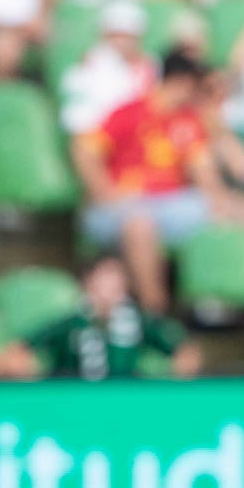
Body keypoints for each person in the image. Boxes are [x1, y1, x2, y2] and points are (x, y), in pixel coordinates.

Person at [73, 52, 221, 313]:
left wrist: (225, 203)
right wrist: (104, 190)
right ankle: (155, 314)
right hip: (125, 204)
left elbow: (205, 174)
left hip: (171, 204)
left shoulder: (188, 120)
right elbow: (83, 150)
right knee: (140, 225)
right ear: (183, 82)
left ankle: (221, 303)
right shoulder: (131, 112)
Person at [24, 254, 199, 380]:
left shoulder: (137, 322)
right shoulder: (71, 324)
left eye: (118, 279)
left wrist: (180, 368)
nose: (112, 286)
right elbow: (23, 350)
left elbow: (183, 351)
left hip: (123, 400)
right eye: (106, 277)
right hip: (74, 400)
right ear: (88, 281)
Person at [60, 0, 156, 135]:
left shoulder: (152, 66)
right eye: (115, 36)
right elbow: (77, 117)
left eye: (127, 36)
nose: (121, 42)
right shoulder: (91, 65)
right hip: (103, 135)